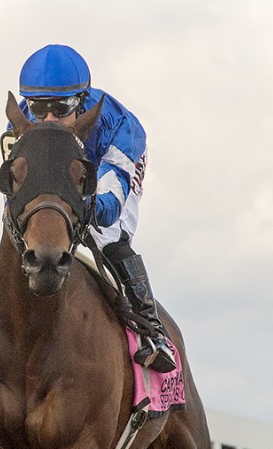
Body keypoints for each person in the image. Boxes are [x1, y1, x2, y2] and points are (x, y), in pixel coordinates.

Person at [15, 44, 175, 373]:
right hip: (64, 175)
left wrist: (84, 207)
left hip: (106, 164)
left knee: (107, 235)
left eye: (60, 108)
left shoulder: (120, 128)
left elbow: (111, 203)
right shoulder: (21, 119)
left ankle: (152, 330)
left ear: (81, 101)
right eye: (38, 107)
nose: (48, 119)